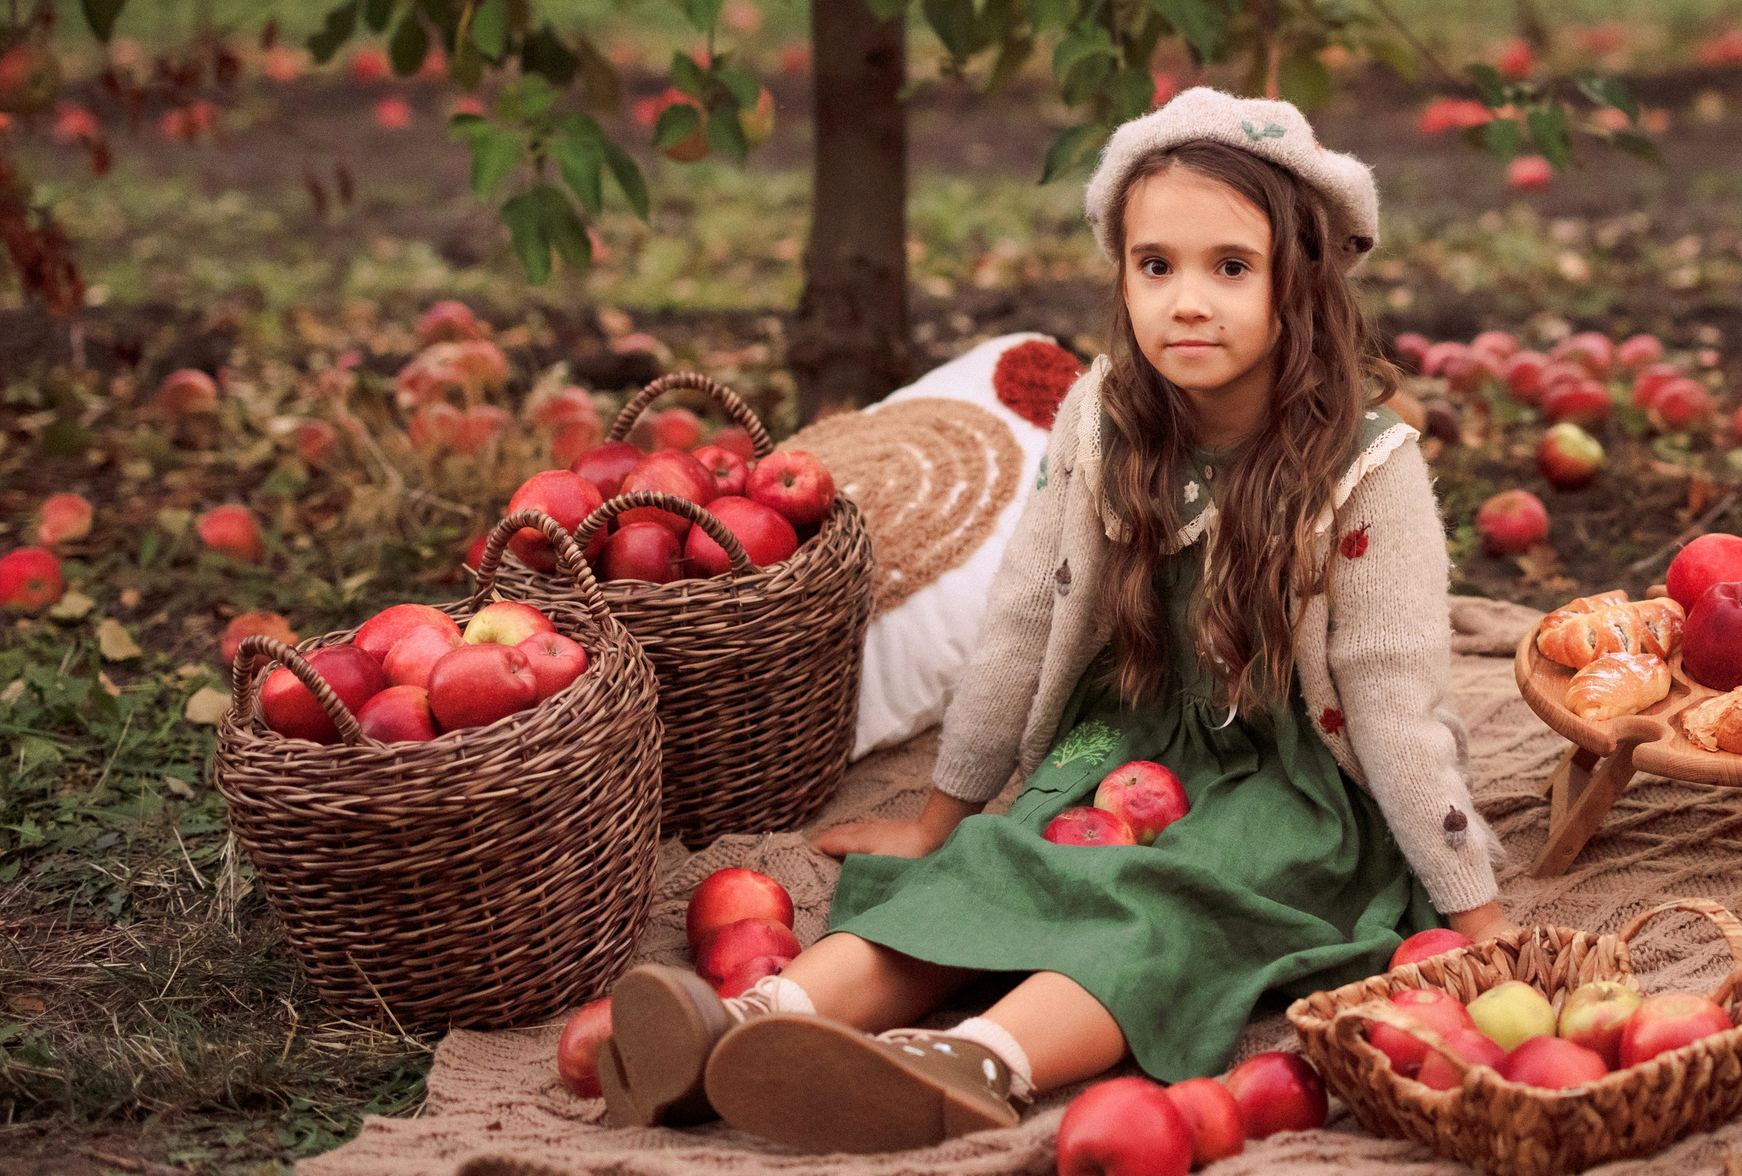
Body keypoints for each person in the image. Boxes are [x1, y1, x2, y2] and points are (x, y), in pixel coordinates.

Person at [595, 88, 1508, 1154]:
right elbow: (1024, 619)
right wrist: (946, 812)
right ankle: (754, 1021)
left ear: (1298, 280)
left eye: (1230, 265)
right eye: (1154, 264)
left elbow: (1395, 698)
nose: (1187, 300)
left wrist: (1474, 911)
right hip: (1115, 739)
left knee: (1171, 902)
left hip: (1290, 784)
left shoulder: (1366, 465)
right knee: (1003, 864)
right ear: (1121, 273)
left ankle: (979, 1057)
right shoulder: (1105, 415)